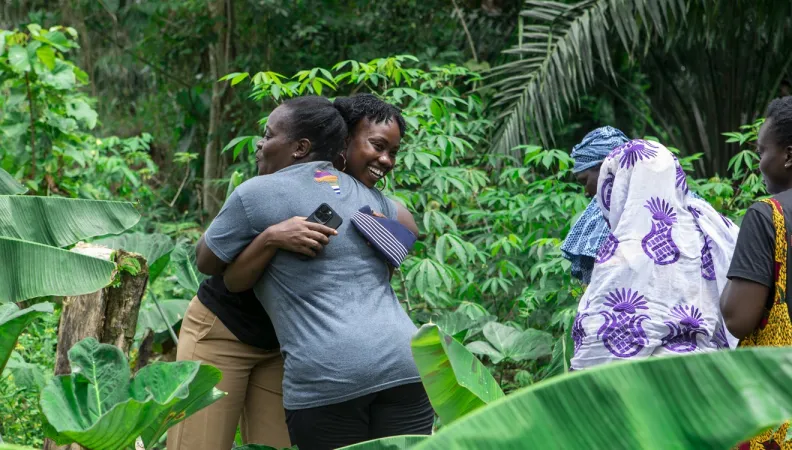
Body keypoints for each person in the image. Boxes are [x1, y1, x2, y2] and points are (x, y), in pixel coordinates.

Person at [168, 95, 423, 450]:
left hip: (292, 346)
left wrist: (382, 234)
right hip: (227, 328)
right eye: (377, 146)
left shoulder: (361, 198)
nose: (385, 160)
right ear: (341, 143)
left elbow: (407, 230)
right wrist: (272, 237)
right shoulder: (267, 189)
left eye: (392, 152)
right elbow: (217, 269)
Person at [570, 139, 739, 370]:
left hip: (650, 383)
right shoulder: (709, 231)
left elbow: (599, 344)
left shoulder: (625, 251)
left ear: (616, 184)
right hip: (708, 373)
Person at [720, 96, 792, 450]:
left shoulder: (768, 214)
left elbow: (738, 318)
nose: (758, 164)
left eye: (762, 151)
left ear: (789, 156)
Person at [561, 126, 629, 285]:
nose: (586, 192)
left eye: (585, 180)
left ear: (605, 167)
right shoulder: (682, 205)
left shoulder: (609, 214)